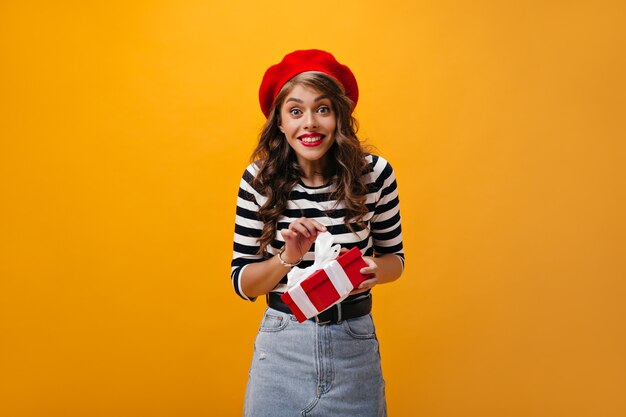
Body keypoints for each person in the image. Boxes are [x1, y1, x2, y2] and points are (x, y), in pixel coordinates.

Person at [231, 49, 405, 417]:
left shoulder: (375, 174)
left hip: (353, 344)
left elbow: (396, 260)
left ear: (339, 116)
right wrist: (287, 257)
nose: (309, 123)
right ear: (279, 122)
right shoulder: (258, 181)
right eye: (295, 111)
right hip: (282, 346)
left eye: (322, 109)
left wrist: (367, 271)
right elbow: (243, 282)